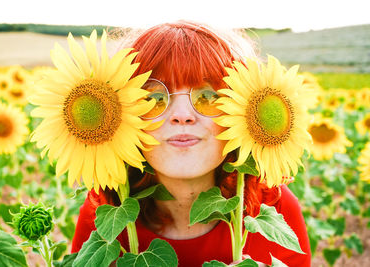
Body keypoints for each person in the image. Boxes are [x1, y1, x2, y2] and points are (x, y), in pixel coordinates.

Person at [71, 20, 311, 267]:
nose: (182, 114)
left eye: (207, 96)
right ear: (119, 113)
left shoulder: (274, 208)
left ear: (244, 111)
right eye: (154, 98)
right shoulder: (104, 216)